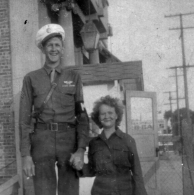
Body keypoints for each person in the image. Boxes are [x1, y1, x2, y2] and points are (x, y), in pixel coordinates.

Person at [19, 23, 89, 195]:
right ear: (43, 49)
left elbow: (82, 116)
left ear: (63, 48)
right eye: (49, 45)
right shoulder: (31, 78)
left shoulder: (73, 77)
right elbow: (24, 119)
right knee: (43, 191)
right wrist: (26, 155)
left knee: (70, 191)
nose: (54, 49)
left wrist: (81, 149)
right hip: (42, 141)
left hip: (68, 140)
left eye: (57, 45)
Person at [78, 95, 147, 195]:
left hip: (125, 191)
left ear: (117, 115)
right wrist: (77, 167)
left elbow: (137, 173)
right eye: (102, 114)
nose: (106, 116)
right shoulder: (94, 143)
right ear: (98, 117)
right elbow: (91, 170)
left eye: (110, 113)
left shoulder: (128, 140)